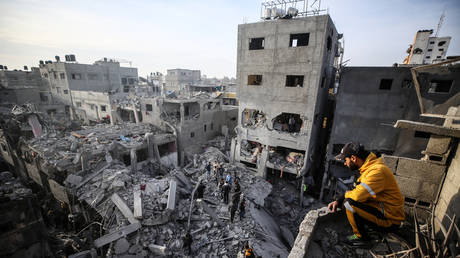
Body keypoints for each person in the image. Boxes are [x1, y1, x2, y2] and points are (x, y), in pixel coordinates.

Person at [328, 142, 404, 248]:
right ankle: (361, 232)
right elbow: (357, 189)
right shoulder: (369, 169)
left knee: (349, 204)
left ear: (353, 158)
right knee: (348, 200)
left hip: (390, 220)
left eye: (345, 160)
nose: (345, 163)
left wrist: (342, 199)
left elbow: (357, 196)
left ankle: (362, 238)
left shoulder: (377, 172)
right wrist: (338, 200)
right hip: (383, 211)